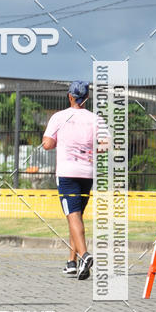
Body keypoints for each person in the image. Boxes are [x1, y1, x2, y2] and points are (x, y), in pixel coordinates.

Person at [42, 81, 106, 280]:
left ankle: (85, 255)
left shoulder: (59, 117)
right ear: (87, 98)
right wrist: (88, 150)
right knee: (76, 216)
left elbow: (47, 144)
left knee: (73, 216)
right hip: (87, 173)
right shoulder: (95, 119)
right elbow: (105, 145)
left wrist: (54, 141)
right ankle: (72, 262)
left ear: (70, 96)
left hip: (67, 173)